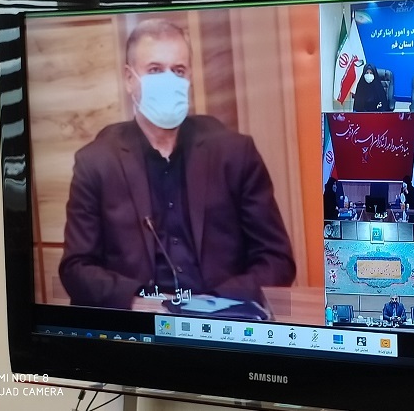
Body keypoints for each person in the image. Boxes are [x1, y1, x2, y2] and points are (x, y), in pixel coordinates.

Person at [59, 18, 296, 310]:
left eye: (178, 70)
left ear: (189, 78)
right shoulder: (96, 163)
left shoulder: (235, 154)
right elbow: (76, 269)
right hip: (141, 324)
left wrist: (214, 304)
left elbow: (277, 260)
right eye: (155, 70)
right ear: (130, 79)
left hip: (221, 320)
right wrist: (138, 304)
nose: (168, 80)